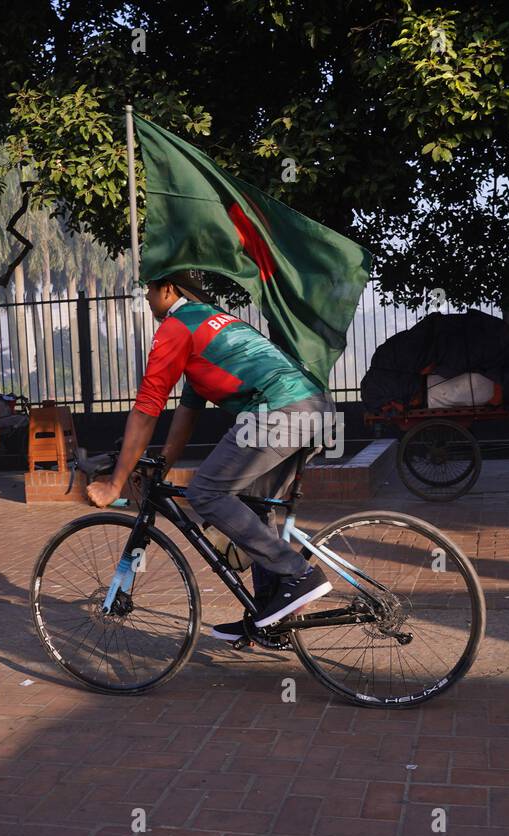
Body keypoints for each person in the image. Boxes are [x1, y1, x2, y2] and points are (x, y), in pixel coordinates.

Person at [85, 271, 335, 639]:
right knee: (252, 505)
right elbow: (185, 416)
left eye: (149, 292)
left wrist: (114, 484)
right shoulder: (208, 323)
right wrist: (161, 470)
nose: (147, 300)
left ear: (167, 289)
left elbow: (146, 409)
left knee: (206, 492)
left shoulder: (176, 327)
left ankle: (298, 572)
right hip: (313, 406)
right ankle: (271, 615)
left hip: (279, 410)